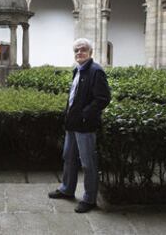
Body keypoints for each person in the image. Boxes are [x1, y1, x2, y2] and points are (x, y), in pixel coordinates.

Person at [48, 38, 111, 213]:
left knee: (88, 163)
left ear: (90, 52)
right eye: (76, 50)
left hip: (85, 126)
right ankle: (67, 189)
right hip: (72, 124)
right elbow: (74, 97)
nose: (79, 53)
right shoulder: (77, 70)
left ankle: (89, 199)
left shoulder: (96, 71)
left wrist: (84, 115)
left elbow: (103, 98)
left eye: (82, 50)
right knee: (68, 157)